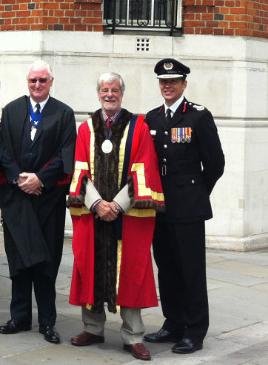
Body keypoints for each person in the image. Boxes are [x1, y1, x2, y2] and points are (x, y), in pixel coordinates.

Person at [68, 72, 164, 361]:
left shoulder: (139, 127)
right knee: (90, 264)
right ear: (98, 93)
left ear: (122, 94)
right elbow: (79, 169)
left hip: (127, 214)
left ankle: (133, 336)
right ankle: (92, 328)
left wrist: (117, 206)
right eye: (105, 90)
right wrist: (97, 204)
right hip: (94, 213)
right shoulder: (86, 128)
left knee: (131, 270)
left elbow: (143, 170)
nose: (109, 94)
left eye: (115, 90)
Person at [143, 58, 225, 354]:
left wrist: (196, 192)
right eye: (163, 82)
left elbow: (215, 163)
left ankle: (195, 329)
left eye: (173, 82)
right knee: (166, 266)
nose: (167, 86)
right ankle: (173, 322)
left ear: (184, 84)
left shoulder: (198, 117)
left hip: (188, 206)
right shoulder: (151, 118)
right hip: (159, 205)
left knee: (190, 269)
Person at [0, 60, 76, 343]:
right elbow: (1, 151)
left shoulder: (64, 113)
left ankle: (48, 322)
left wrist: (40, 179)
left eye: (42, 80)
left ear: (51, 82)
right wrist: (19, 178)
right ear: (27, 82)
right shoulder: (11, 109)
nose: (37, 85)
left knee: (46, 262)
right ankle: (19, 316)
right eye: (32, 81)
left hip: (47, 200)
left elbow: (67, 153)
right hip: (17, 199)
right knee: (18, 262)